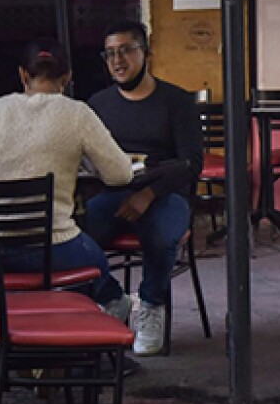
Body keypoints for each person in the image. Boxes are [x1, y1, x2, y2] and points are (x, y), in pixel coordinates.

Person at [0, 39, 134, 314]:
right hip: (55, 250)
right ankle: (90, 323)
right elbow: (120, 175)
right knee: (98, 264)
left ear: (22, 74)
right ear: (67, 77)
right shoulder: (77, 114)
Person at [84, 20, 203, 357]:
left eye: (126, 50)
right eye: (110, 53)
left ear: (147, 53)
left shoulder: (176, 101)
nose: (117, 60)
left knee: (160, 232)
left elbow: (191, 163)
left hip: (167, 197)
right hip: (113, 195)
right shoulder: (98, 104)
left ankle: (151, 305)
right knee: (72, 234)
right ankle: (112, 298)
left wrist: (149, 194)